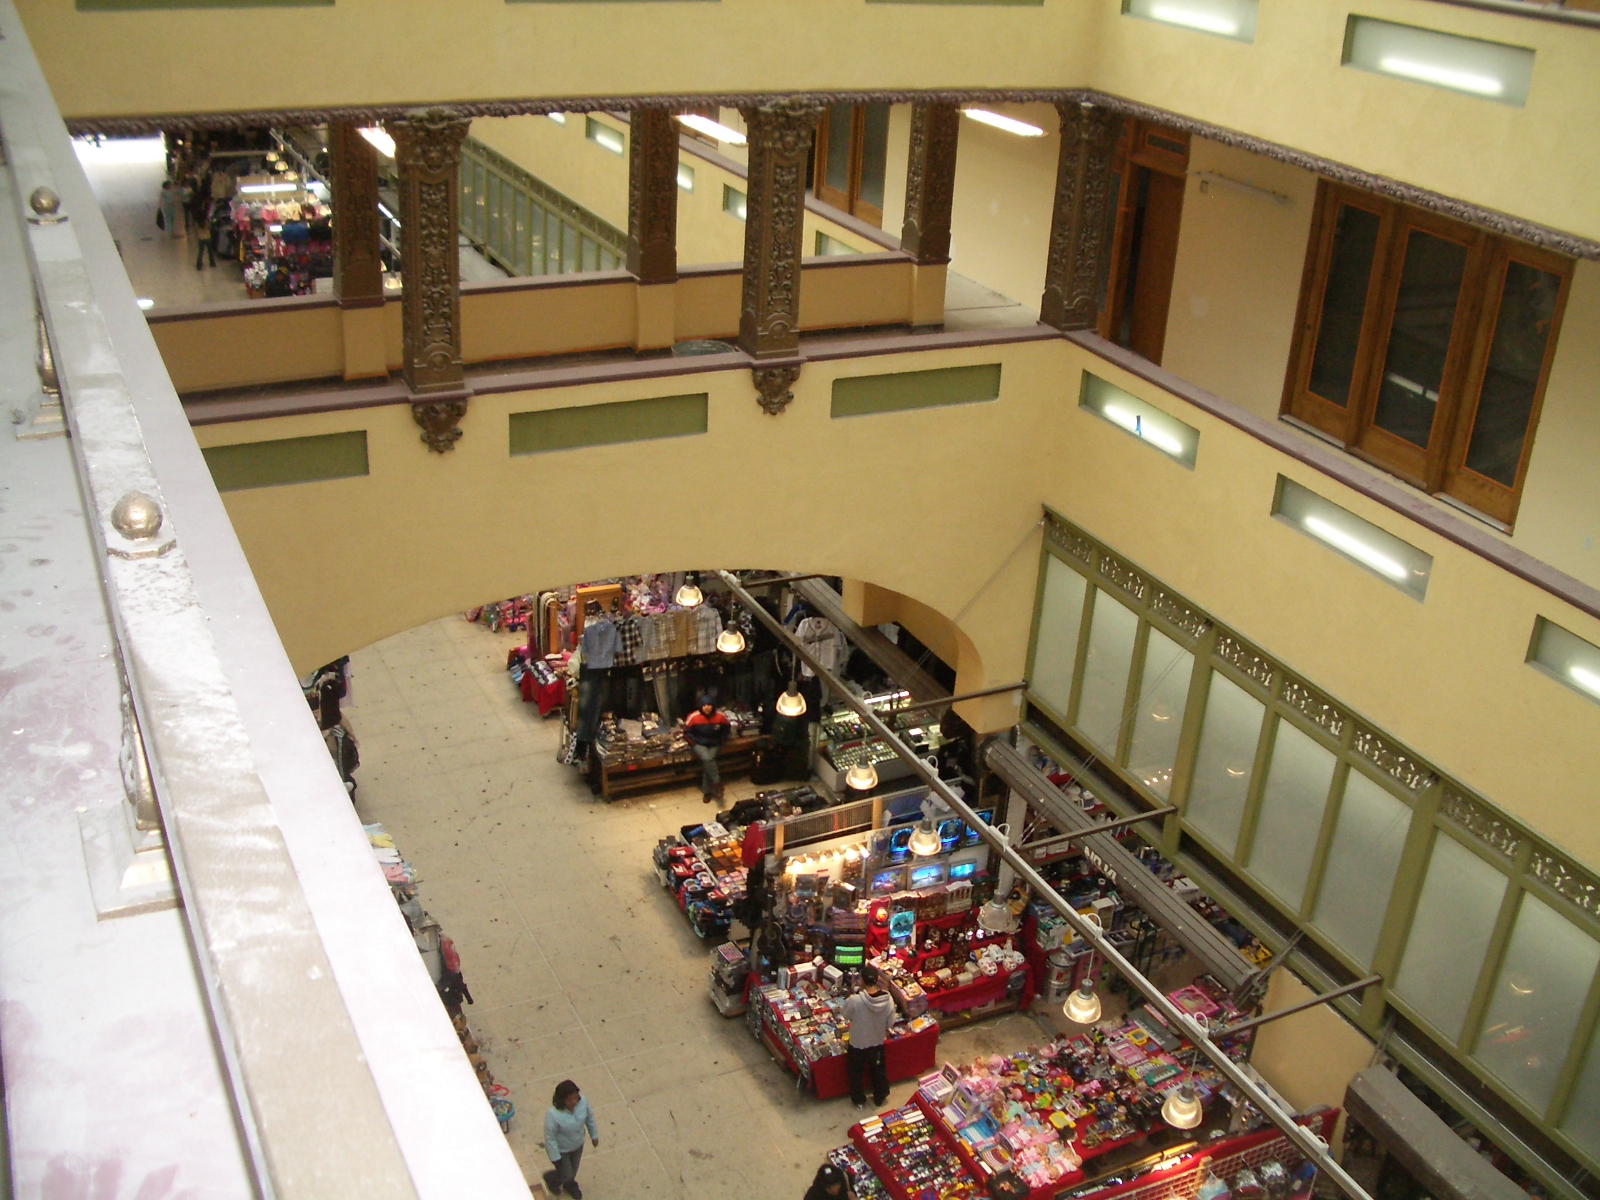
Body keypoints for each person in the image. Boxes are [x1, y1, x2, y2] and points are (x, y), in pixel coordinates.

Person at [841, 965, 895, 1110]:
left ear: (862, 981)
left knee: (856, 1072)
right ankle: (880, 1096)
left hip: (858, 1042)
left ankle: (859, 1100)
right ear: (877, 980)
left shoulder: (855, 1000)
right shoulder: (888, 999)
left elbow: (845, 1015)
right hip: (877, 1041)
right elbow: (891, 1022)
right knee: (878, 1071)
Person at [543, 1080, 598, 1200]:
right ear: (561, 1100)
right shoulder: (552, 1114)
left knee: (573, 1170)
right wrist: (555, 1157)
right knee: (567, 1173)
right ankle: (553, 1179)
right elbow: (550, 1136)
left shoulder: (583, 1102)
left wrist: (594, 1135)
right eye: (569, 1100)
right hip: (562, 1150)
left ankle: (568, 1184)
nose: (574, 1102)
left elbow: (589, 1118)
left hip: (578, 1145)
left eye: (575, 1098)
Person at [684, 694, 730, 803]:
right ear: (700, 706)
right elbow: (686, 732)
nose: (707, 707)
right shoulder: (693, 717)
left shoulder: (720, 716)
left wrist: (721, 740)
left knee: (708, 763)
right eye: (704, 705)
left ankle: (707, 792)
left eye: (709, 705)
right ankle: (717, 782)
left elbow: (726, 729)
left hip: (715, 743)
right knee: (708, 758)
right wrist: (694, 742)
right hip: (699, 744)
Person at [192, 195, 216, 270]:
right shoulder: (206, 221)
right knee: (210, 251)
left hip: (200, 238)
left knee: (201, 252)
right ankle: (212, 263)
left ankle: (199, 264)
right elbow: (209, 227)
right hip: (208, 237)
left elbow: (195, 230)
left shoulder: (197, 223)